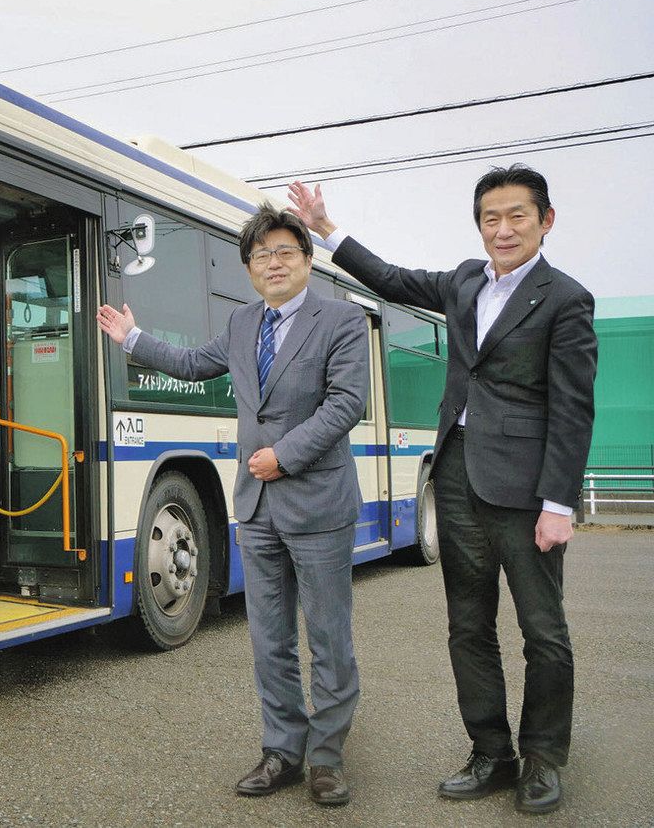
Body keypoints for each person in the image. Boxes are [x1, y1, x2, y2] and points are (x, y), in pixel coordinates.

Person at [287, 165, 595, 815]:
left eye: (517, 215)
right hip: (455, 476)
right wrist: (326, 230)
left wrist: (560, 503)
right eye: (491, 217)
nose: (503, 228)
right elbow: (394, 278)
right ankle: (490, 752)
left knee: (544, 631)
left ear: (545, 220)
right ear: (479, 223)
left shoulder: (566, 298)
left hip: (526, 490)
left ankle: (542, 757)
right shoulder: (463, 280)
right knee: (467, 624)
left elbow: (573, 407)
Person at [97, 205, 368, 807]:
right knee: (268, 637)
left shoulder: (341, 321)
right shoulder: (244, 324)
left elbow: (347, 403)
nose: (274, 262)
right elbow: (195, 365)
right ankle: (282, 750)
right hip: (258, 507)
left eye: (286, 251)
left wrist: (283, 455)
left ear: (307, 259)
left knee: (327, 636)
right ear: (249, 268)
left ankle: (326, 757)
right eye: (262, 254)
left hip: (319, 501)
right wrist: (133, 339)